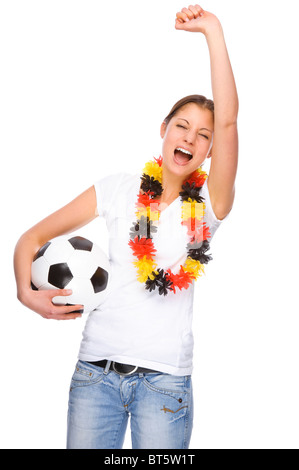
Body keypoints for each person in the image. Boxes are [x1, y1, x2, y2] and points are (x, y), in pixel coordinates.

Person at [14, 4, 238, 449]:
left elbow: (231, 118)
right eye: (182, 126)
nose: (190, 138)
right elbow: (30, 239)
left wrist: (212, 31)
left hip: (165, 387)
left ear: (210, 150)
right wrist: (26, 293)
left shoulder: (211, 206)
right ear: (164, 129)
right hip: (95, 377)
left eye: (204, 134)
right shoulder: (118, 188)